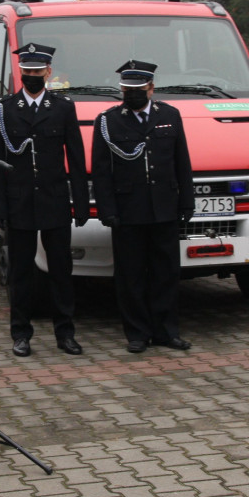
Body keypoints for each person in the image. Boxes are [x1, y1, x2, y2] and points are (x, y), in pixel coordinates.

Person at [0, 43, 90, 357]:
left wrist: (81, 204)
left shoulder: (63, 107)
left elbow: (75, 156)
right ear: (20, 73)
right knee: (20, 275)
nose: (32, 76)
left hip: (55, 201)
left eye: (37, 71)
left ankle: (65, 333)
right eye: (26, 71)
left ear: (49, 72)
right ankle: (21, 334)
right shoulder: (3, 109)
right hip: (19, 204)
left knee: (61, 271)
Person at [91, 60, 194, 354]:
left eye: (138, 90)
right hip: (128, 210)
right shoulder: (108, 120)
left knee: (166, 273)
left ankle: (166, 331)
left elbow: (181, 163)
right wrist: (106, 209)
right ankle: (137, 333)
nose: (132, 95)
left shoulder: (170, 115)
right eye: (127, 90)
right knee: (130, 275)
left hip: (164, 207)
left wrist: (186, 201)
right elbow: (100, 170)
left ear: (151, 88)